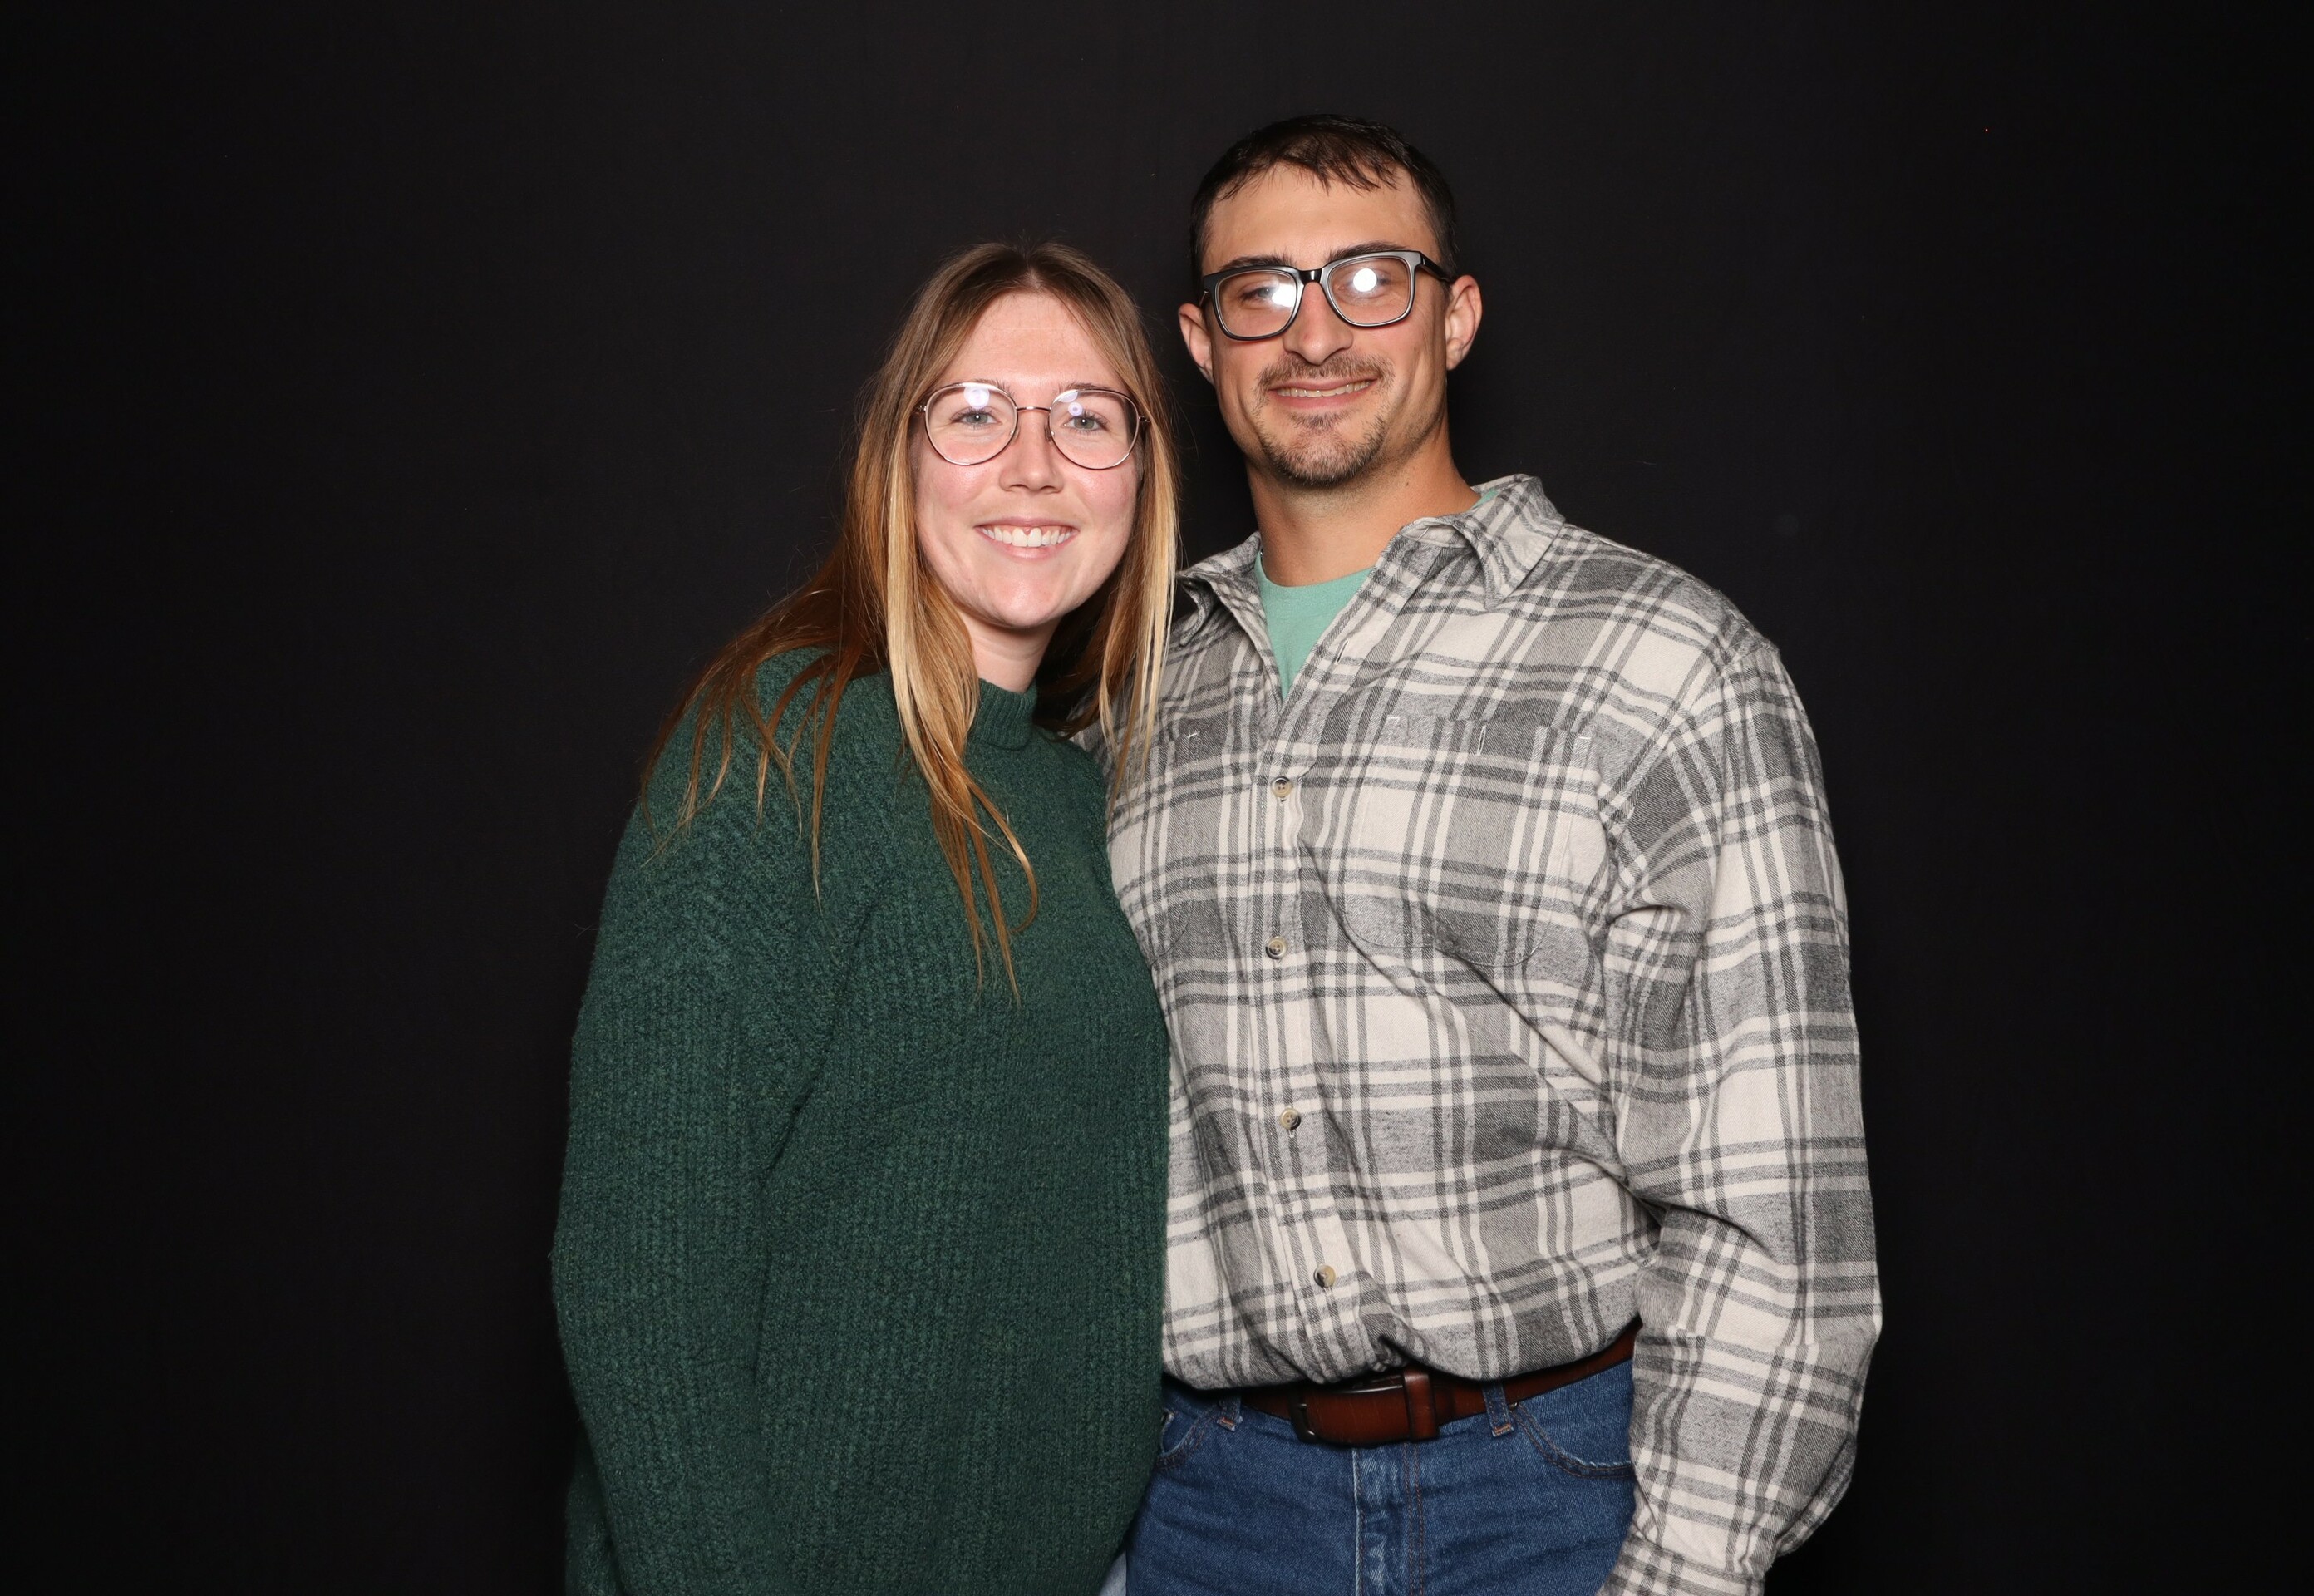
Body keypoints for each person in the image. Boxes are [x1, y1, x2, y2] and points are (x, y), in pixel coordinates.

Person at [1104, 116, 1881, 1595]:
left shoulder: (1664, 664)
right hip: (1207, 1506)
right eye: (1263, 289)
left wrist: (1686, 1572)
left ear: (1454, 316)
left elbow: (1773, 1207)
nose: (1315, 332)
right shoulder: (1126, 698)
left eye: (1370, 279)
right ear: (1203, 345)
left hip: (1556, 1499)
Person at [552, 242, 1180, 1596]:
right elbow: (642, 1259)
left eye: (1087, 418)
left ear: (1141, 471)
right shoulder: (783, 746)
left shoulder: (1082, 795)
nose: (1034, 466)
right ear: (900, 459)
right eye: (975, 414)